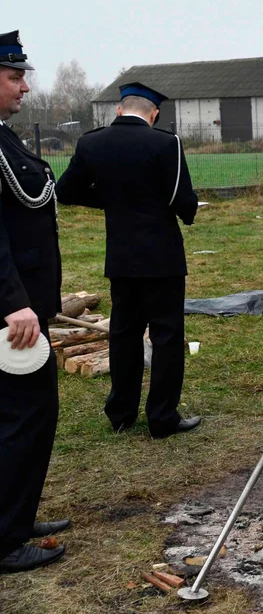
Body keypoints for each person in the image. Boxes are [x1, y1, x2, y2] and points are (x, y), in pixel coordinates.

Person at [57, 81, 201, 439]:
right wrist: (185, 211)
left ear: (119, 110)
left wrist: (110, 200)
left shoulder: (92, 142)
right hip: (162, 257)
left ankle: (120, 412)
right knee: (166, 336)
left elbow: (65, 191)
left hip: (120, 256)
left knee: (123, 333)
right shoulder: (167, 143)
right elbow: (183, 200)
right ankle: (162, 417)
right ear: (153, 114)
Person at [0, 31, 70, 572]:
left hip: (27, 306)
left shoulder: (7, 138)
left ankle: (17, 518)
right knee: (23, 415)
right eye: (13, 76)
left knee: (32, 414)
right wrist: (13, 302)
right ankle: (5, 537)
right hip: (12, 314)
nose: (24, 86)